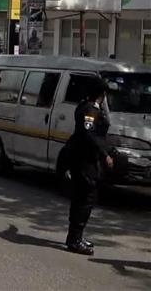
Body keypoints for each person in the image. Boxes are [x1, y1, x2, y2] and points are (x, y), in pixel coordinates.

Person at [61, 78, 113, 255]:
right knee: (84, 199)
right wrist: (105, 154)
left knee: (83, 198)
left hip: (86, 159)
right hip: (84, 160)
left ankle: (76, 236)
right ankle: (75, 240)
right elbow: (88, 133)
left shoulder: (87, 106)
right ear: (102, 94)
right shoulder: (89, 110)